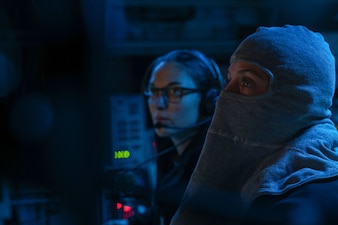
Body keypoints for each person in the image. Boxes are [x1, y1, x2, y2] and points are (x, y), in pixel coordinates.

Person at [170, 25, 338, 225]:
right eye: (229, 80)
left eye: (247, 82)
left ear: (296, 96)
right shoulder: (262, 171)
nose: (224, 97)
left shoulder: (295, 205)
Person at [127, 49, 225, 225]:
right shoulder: (167, 149)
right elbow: (164, 213)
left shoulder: (211, 165)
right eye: (154, 91)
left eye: (175, 91)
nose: (159, 104)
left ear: (208, 102)